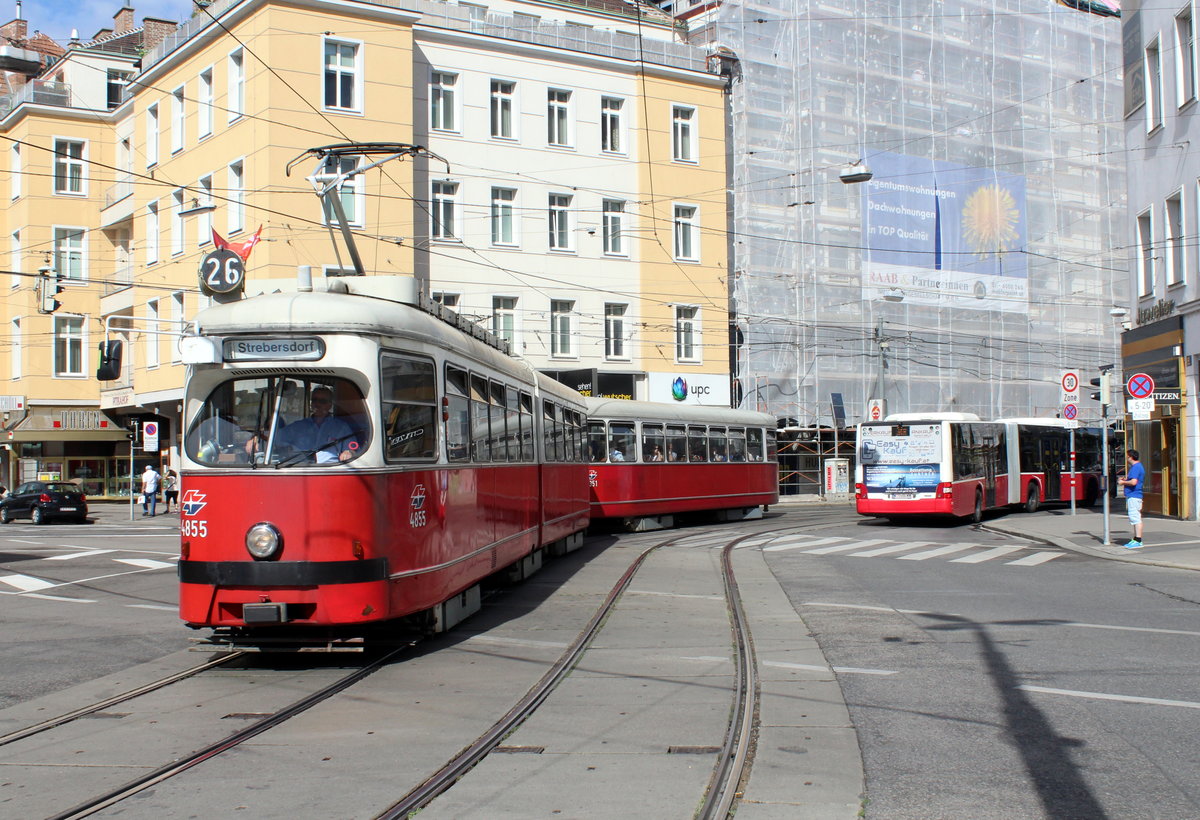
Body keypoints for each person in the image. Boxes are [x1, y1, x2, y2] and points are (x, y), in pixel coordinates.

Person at [271, 387, 355, 464]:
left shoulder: (341, 427)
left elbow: (353, 448)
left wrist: (348, 452)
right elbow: (273, 439)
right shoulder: (298, 426)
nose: (317, 404)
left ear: (329, 405)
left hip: (330, 469)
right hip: (301, 470)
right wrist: (258, 439)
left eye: (322, 401)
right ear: (311, 404)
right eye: (315, 400)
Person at [1116, 449, 1145, 549]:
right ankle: (1136, 539)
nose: (1126, 458)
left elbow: (1133, 482)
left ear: (1131, 457)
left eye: (1127, 456)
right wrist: (1125, 480)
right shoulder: (1137, 467)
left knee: (1135, 518)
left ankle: (1138, 540)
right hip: (1135, 496)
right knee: (1135, 517)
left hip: (1134, 496)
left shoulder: (1136, 467)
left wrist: (1122, 483)